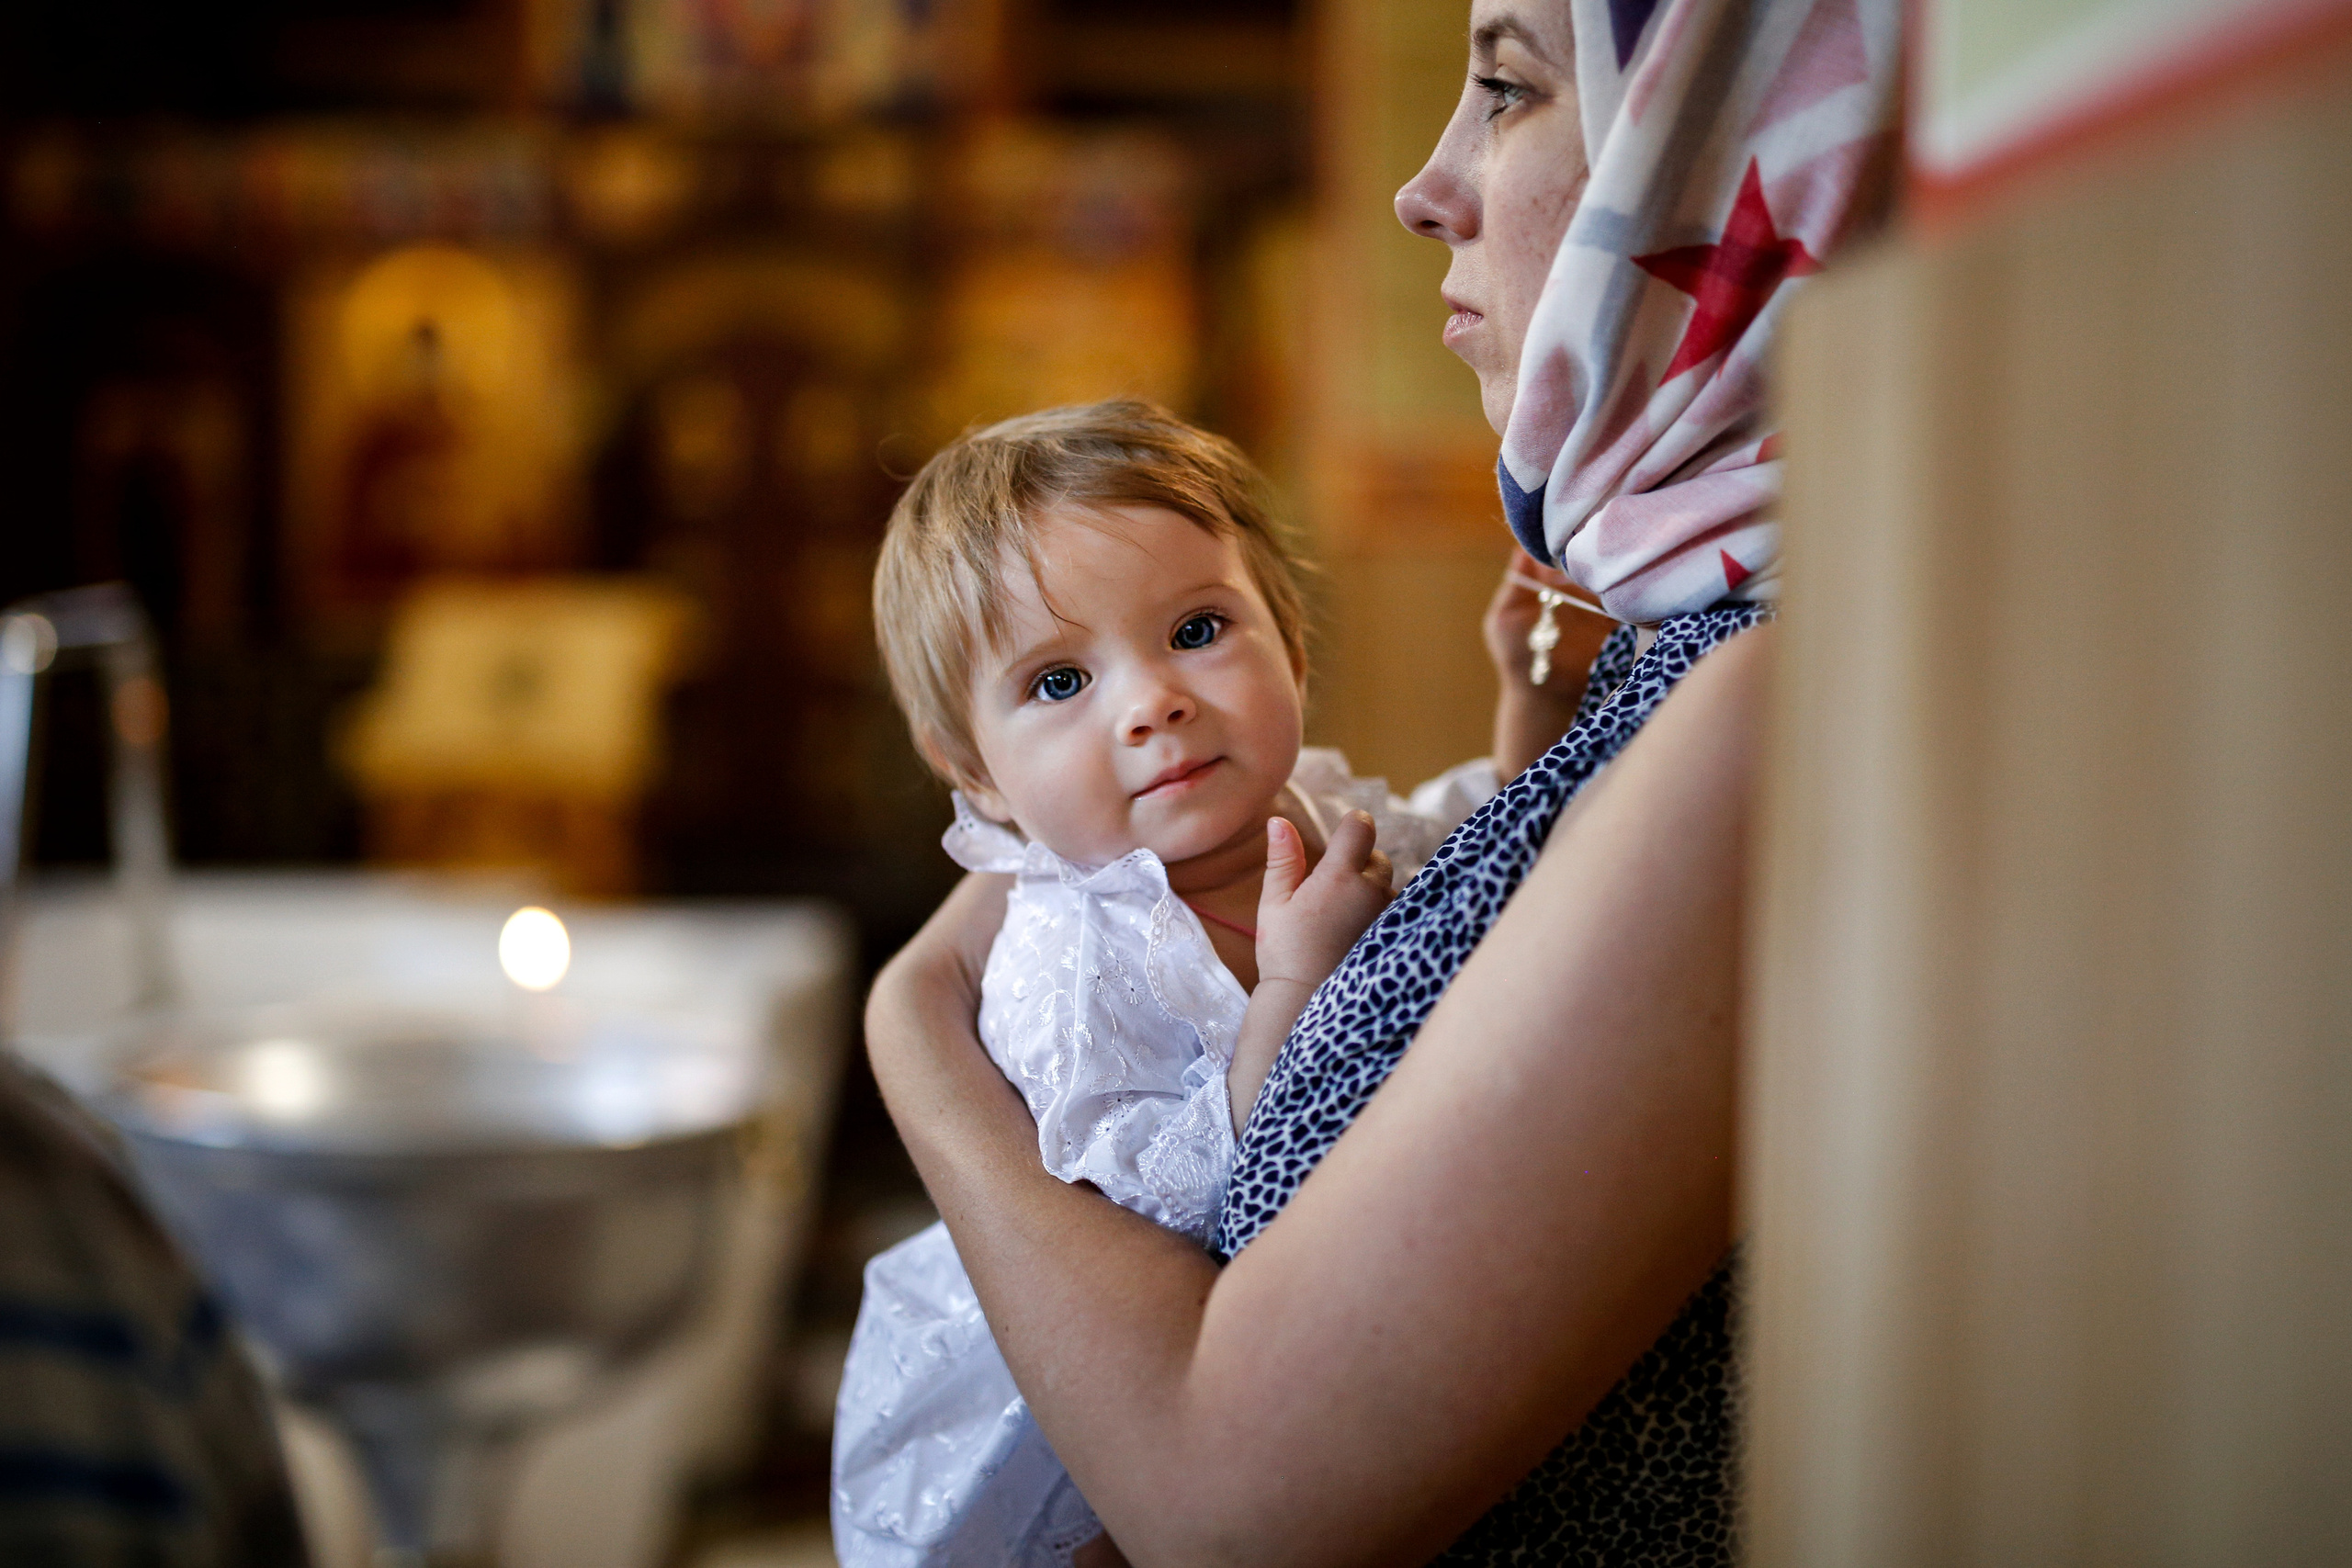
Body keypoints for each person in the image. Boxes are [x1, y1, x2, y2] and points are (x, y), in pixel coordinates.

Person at [863, 0, 1899, 1561]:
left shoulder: (1759, 684)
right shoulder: (1696, 645)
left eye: (1504, 86)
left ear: (1713, 151)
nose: (1425, 185)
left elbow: (1232, 1503)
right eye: (1060, 683)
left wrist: (910, 1039)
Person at [832, 402, 1549, 1566]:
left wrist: (1529, 714)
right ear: (977, 774)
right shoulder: (1068, 962)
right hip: (1090, 1428)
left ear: (1295, 649)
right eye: (1059, 683)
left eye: (1199, 627)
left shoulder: (1310, 809)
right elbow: (1190, 1204)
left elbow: (1454, 857)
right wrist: (1294, 988)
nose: (1149, 702)